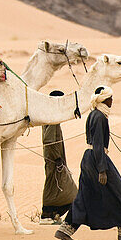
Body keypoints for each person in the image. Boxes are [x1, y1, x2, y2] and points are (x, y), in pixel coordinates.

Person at [55, 86, 121, 240]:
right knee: (119, 193)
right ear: (104, 99)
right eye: (110, 98)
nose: (112, 101)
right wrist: (102, 170)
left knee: (85, 196)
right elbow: (97, 143)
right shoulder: (99, 116)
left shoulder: (95, 114)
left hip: (92, 159)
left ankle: (65, 230)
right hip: (97, 160)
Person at [37, 90, 76, 224]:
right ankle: (46, 215)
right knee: (69, 191)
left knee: (55, 186)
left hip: (54, 158)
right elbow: (49, 139)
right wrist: (57, 158)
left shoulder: (50, 115)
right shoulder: (52, 117)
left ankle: (52, 214)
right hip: (54, 160)